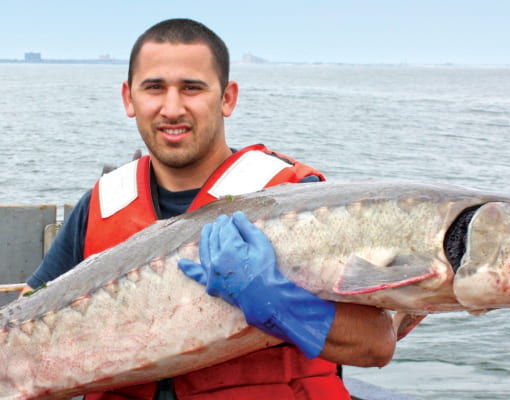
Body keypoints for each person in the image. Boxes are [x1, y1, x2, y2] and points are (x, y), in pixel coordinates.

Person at [22, 18, 397, 400]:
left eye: (192, 88)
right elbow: (28, 316)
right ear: (128, 98)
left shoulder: (297, 200)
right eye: (154, 88)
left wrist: (276, 300)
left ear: (227, 97)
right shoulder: (101, 203)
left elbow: (375, 344)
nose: (172, 108)